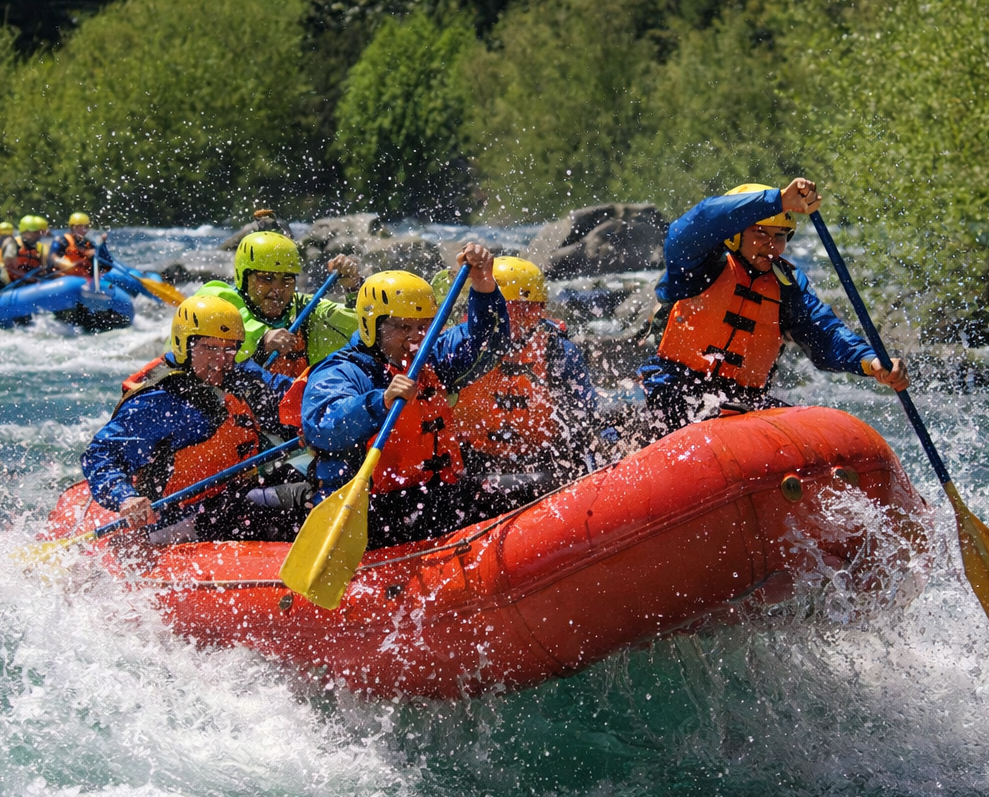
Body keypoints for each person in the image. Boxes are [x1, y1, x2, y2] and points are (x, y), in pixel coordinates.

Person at [639, 179, 910, 434]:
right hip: (676, 391)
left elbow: (825, 335)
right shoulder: (698, 266)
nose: (771, 244)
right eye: (759, 232)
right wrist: (777, 201)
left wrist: (871, 362)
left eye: (780, 235)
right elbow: (695, 224)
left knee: (810, 438)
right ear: (733, 235)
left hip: (743, 403)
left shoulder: (787, 286)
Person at [298, 245, 514, 549]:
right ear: (372, 325)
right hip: (371, 512)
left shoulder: (429, 358)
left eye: (424, 326)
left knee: (519, 493)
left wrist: (483, 285)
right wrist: (380, 401)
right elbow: (322, 425)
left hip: (432, 496)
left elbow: (488, 342)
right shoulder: (344, 370)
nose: (416, 337)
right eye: (403, 327)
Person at [83, 295, 307, 545]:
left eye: (229, 348)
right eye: (210, 348)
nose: (221, 359)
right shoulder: (159, 400)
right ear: (184, 345)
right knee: (297, 499)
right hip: (177, 518)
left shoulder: (237, 374)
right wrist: (125, 497)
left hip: (230, 494)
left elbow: (289, 393)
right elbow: (100, 454)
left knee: (314, 480)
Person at [450, 257, 611, 494]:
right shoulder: (461, 347)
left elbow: (585, 414)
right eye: (508, 310)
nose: (516, 320)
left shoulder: (558, 352)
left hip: (541, 463)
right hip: (475, 464)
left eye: (528, 309)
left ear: (540, 310)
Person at [198, 231, 363, 378]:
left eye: (287, 279)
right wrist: (262, 341)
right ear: (244, 277)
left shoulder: (306, 309)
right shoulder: (219, 301)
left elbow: (365, 327)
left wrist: (354, 287)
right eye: (266, 278)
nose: (277, 290)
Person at [1, 214, 53, 283]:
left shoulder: (39, 247)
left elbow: (44, 268)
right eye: (35, 232)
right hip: (14, 285)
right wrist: (26, 277)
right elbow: (8, 267)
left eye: (39, 232)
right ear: (25, 232)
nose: (39, 235)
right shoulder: (13, 243)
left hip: (31, 284)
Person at [54, 212, 100, 279]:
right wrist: (68, 265)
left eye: (88, 227)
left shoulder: (88, 243)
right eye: (86, 227)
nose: (87, 230)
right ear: (75, 227)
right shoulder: (62, 241)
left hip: (84, 277)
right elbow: (53, 258)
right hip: (66, 278)